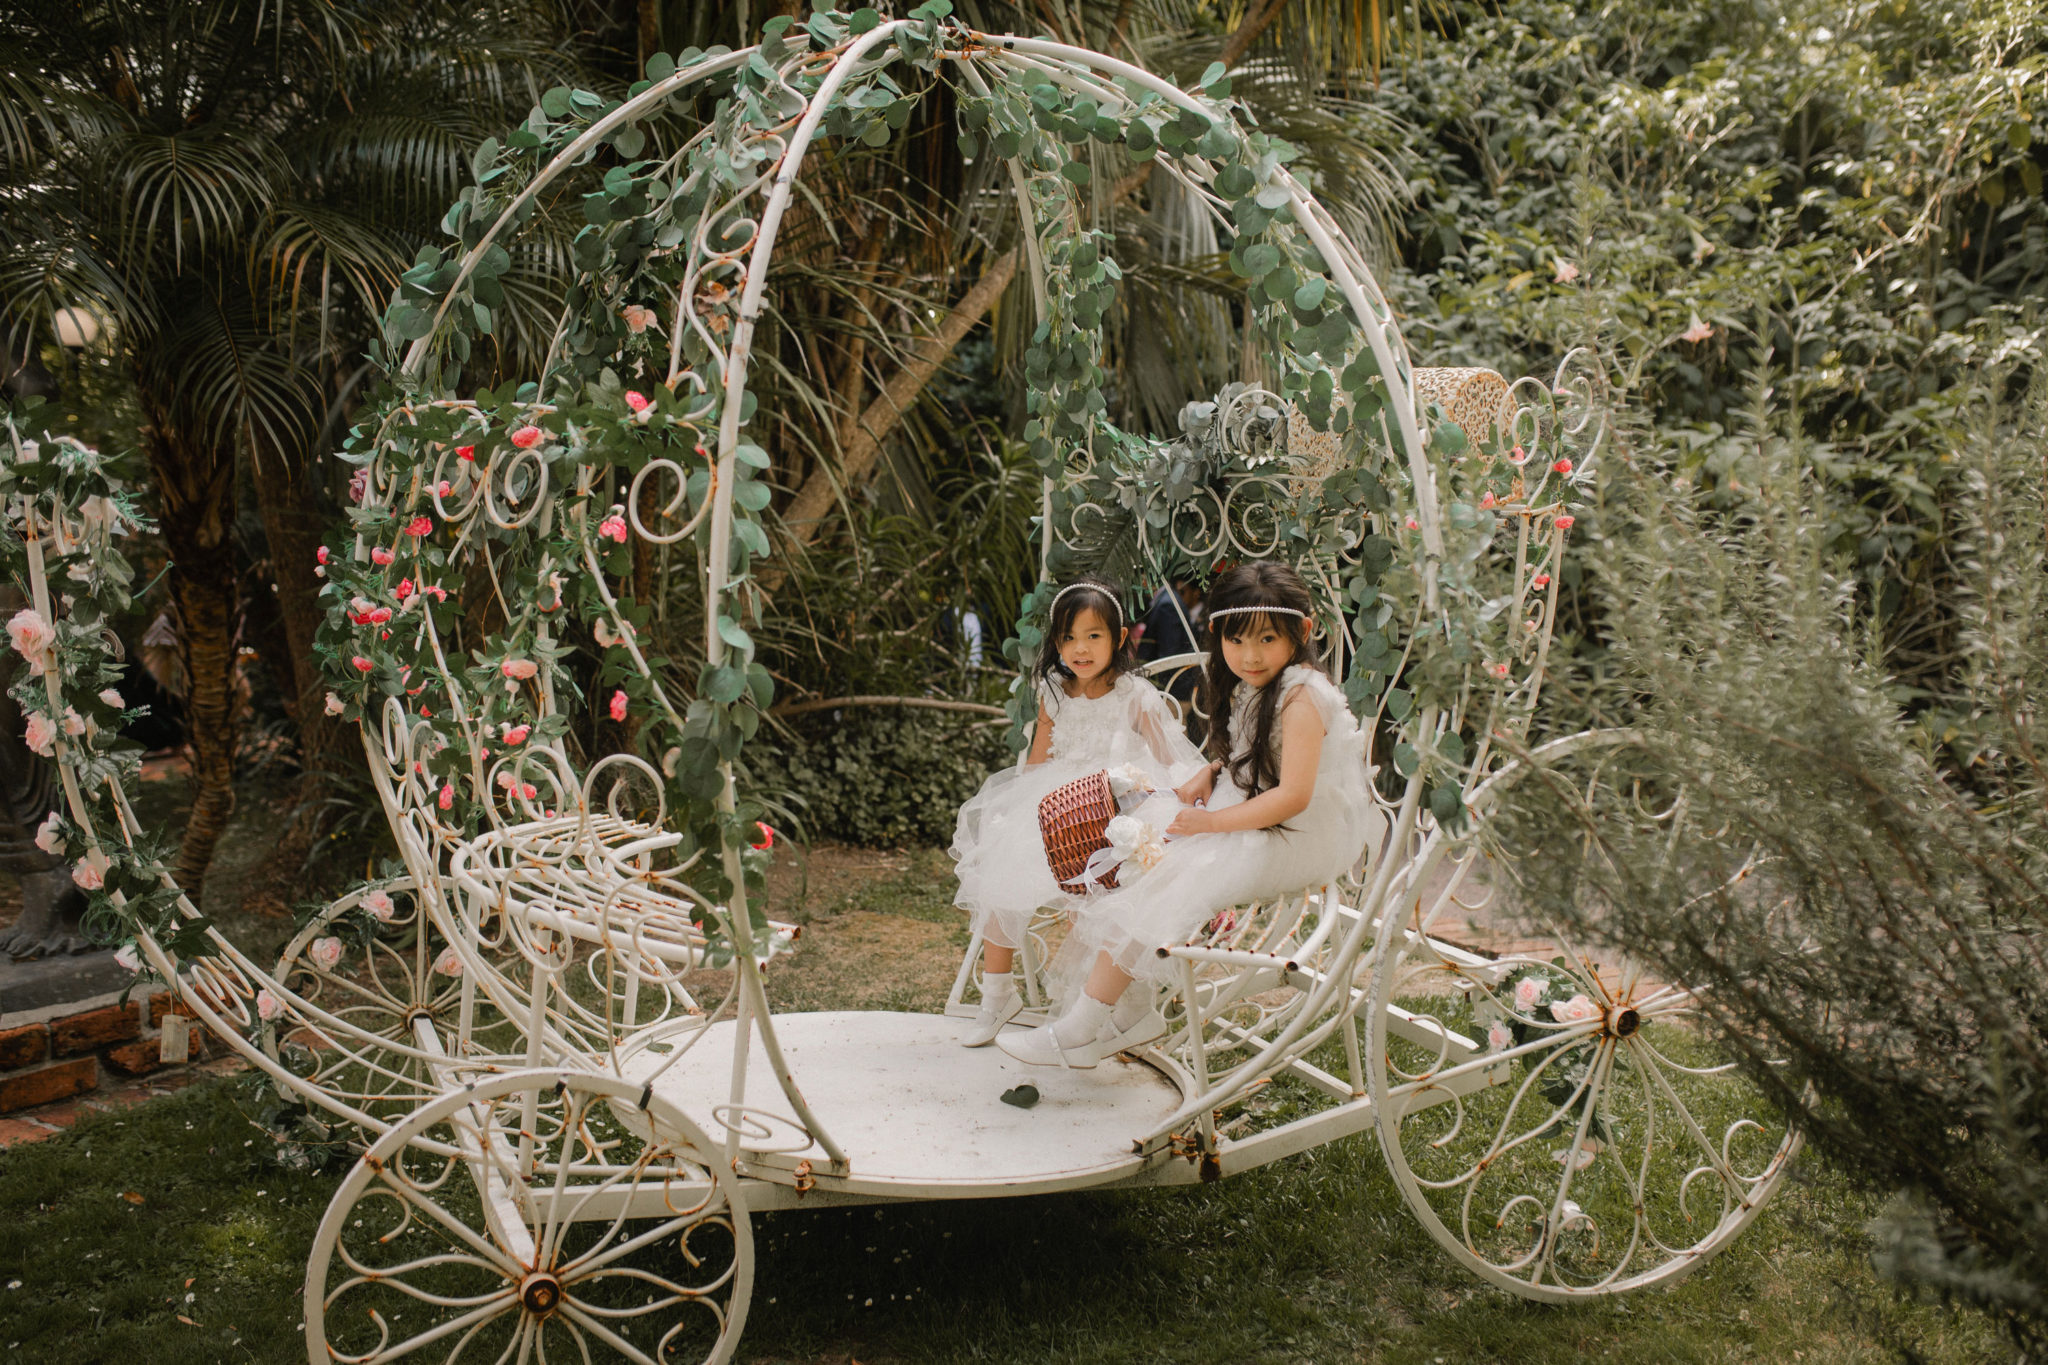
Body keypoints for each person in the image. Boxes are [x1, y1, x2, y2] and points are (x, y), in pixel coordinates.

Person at [1001, 562, 1377, 1068]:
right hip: (1251, 807)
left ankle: (1081, 1028)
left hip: (1296, 833)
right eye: (1237, 640)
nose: (1250, 655)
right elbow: (1263, 750)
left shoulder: (1302, 695)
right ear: (1218, 634)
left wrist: (1211, 823)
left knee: (1166, 871)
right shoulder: (1269, 683)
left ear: (1302, 632)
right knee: (1140, 846)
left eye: (1267, 639)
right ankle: (1131, 1011)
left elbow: (1293, 796)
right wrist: (1216, 769)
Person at [950, 576, 1208, 1048]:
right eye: (1068, 638)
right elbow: (1037, 761)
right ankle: (997, 998)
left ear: (1119, 638)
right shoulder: (1054, 691)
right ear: (1055, 643)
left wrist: (1172, 807)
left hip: (1112, 808)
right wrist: (1015, 814)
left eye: (1093, 636)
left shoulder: (1134, 695)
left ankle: (1125, 1009)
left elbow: (1171, 762)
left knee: (1107, 888)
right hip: (1056, 804)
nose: (1080, 649)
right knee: (999, 861)